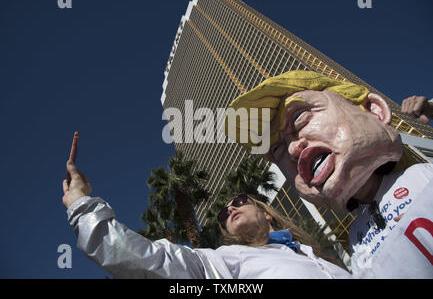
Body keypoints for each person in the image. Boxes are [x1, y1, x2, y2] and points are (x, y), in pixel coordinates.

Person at [224, 70, 433, 278]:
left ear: (375, 111)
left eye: (299, 117)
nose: (292, 149)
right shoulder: (357, 237)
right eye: (278, 149)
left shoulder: (424, 176)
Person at [62, 160, 351, 279]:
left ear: (266, 212)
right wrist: (82, 206)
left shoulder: (312, 256)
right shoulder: (224, 261)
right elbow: (150, 260)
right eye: (224, 214)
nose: (230, 209)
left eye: (238, 202)